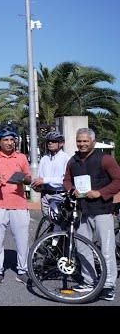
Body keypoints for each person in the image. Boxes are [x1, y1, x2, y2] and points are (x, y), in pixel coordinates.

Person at [63, 127, 120, 301]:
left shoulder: (105, 159)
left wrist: (101, 193)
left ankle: (109, 285)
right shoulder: (73, 160)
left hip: (102, 210)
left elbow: (118, 180)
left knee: (106, 249)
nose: (82, 144)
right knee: (82, 248)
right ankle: (89, 281)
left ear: (93, 142)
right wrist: (71, 189)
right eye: (79, 141)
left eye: (85, 141)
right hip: (82, 211)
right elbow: (66, 180)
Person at [0, 124, 32, 287]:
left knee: (22, 240)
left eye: (12, 139)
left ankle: (22, 270)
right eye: (6, 140)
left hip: (19, 204)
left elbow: (29, 178)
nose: (10, 143)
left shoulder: (22, 158)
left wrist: (24, 179)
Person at [30, 131, 69, 230]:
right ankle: (49, 243)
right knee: (48, 223)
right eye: (48, 141)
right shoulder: (44, 159)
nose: (50, 143)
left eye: (53, 141)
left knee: (59, 224)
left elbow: (65, 180)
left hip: (59, 195)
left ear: (61, 143)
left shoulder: (66, 158)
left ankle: (59, 243)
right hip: (45, 195)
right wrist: (37, 186)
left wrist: (45, 180)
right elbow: (40, 178)